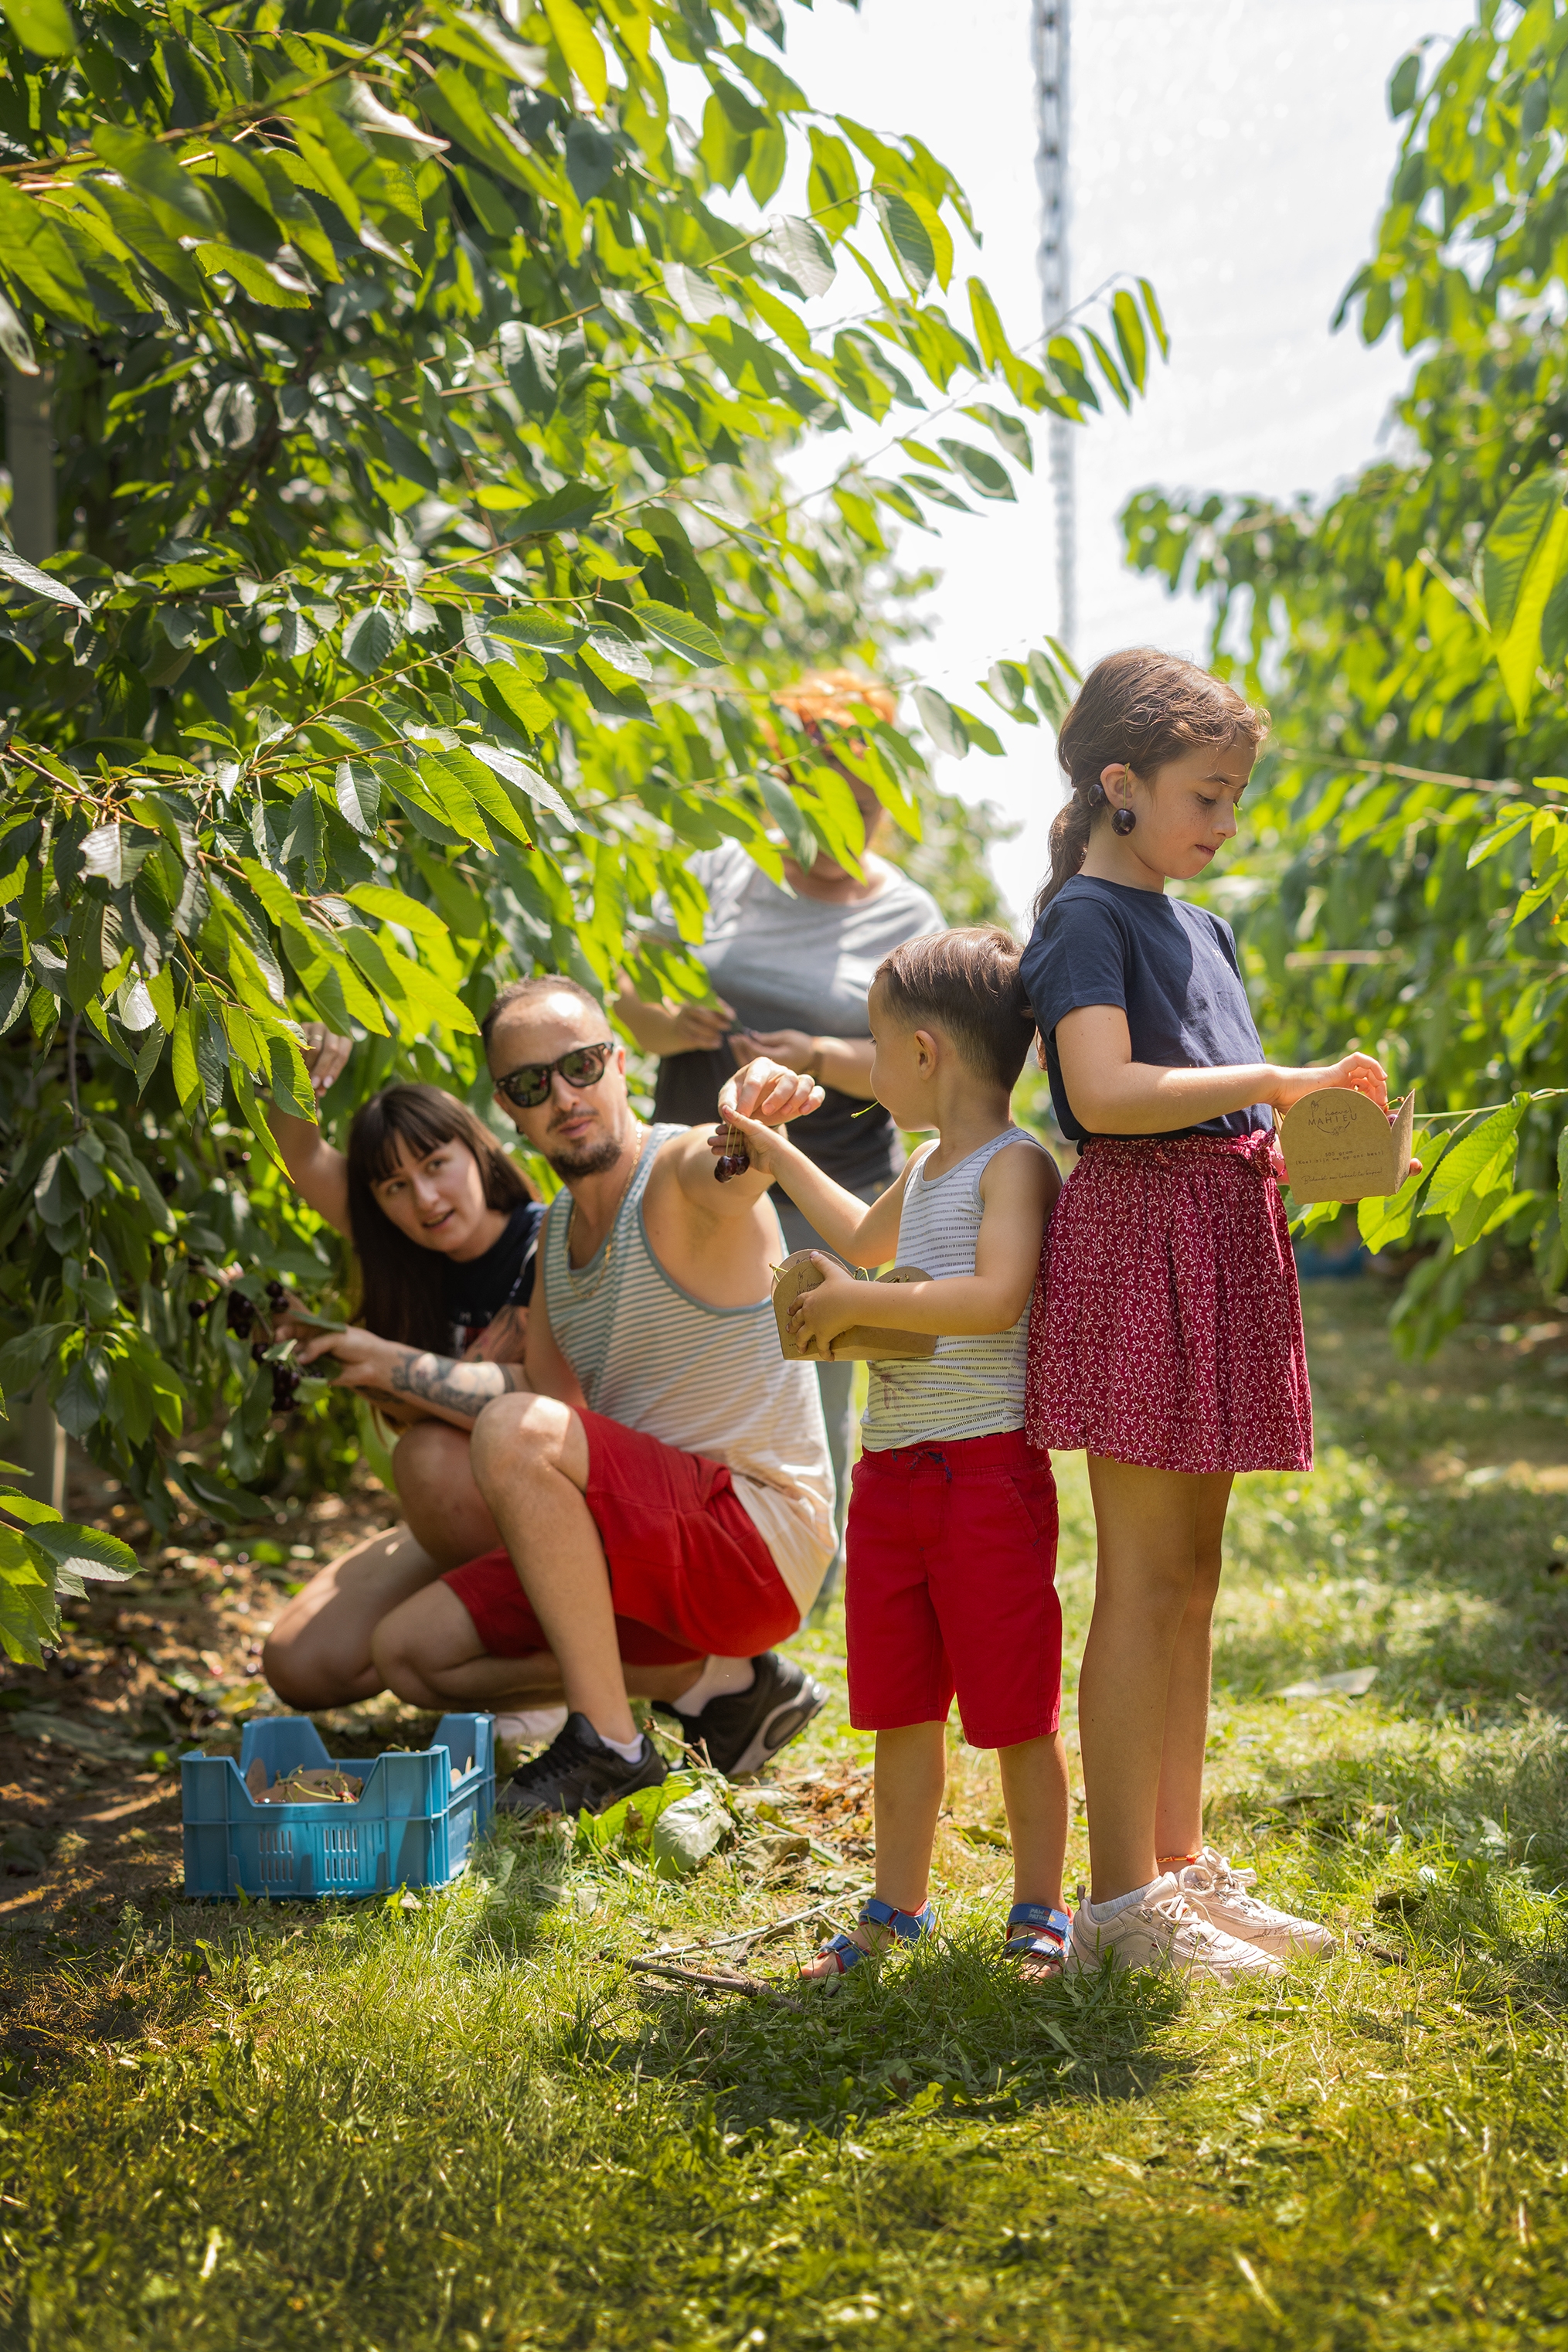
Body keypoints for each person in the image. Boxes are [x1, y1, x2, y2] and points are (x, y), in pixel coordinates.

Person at [1022, 647, 1379, 1980]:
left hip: (1219, 1232)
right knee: (1137, 1575)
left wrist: (1322, 1136)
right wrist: (1275, 1077)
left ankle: (1173, 1868)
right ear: (1119, 782)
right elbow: (1106, 1094)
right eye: (1205, 796)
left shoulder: (1200, 926)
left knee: (1193, 1577)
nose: (1223, 825)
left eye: (1233, 798)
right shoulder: (1080, 921)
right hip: (1139, 1239)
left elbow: (1222, 1102)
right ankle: (1116, 1908)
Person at [356, 975, 838, 1811]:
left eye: (580, 1065)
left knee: (515, 1431)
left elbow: (728, 1165)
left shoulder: (681, 1170)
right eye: (531, 1084)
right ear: (508, 1107)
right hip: (652, 1545)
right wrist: (388, 1368)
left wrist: (748, 1127)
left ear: (619, 1062)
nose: (564, 1095)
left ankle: (608, 1742)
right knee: (410, 1651)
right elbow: (549, 1398)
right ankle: (717, 1686)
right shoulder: (555, 1238)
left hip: (753, 1539)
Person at [719, 928, 1073, 1981]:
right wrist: (778, 1155)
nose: (865, 1069)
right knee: (900, 1701)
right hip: (894, 1477)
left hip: (983, 1476)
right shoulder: (924, 1164)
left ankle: (1039, 1909)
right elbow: (866, 1245)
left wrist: (859, 1302)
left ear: (925, 1053)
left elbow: (995, 1295)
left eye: (873, 1049)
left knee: (1015, 1708)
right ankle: (895, 1902)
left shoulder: (1016, 1165)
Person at [616, 672, 944, 1578]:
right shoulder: (721, 868)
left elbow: (930, 1059)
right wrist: (666, 1018)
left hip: (825, 1176)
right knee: (678, 1358)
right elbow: (628, 994)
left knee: (809, 1369)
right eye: (822, 790)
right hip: (695, 1165)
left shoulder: (906, 912)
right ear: (784, 780)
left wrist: (821, 1056)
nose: (844, 820)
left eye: (865, 799)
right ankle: (673, 1544)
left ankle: (806, 1571)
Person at [261, 1044, 549, 1717]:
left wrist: (385, 1362)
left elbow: (535, 1394)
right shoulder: (400, 1253)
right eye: (394, 1185)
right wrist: (293, 1062)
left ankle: (565, 1672)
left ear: (477, 1150)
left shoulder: (548, 1244)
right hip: (458, 1520)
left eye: (436, 1164)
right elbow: (300, 1156)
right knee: (299, 1663)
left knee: (426, 1455)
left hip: (553, 1518)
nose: (424, 1198)